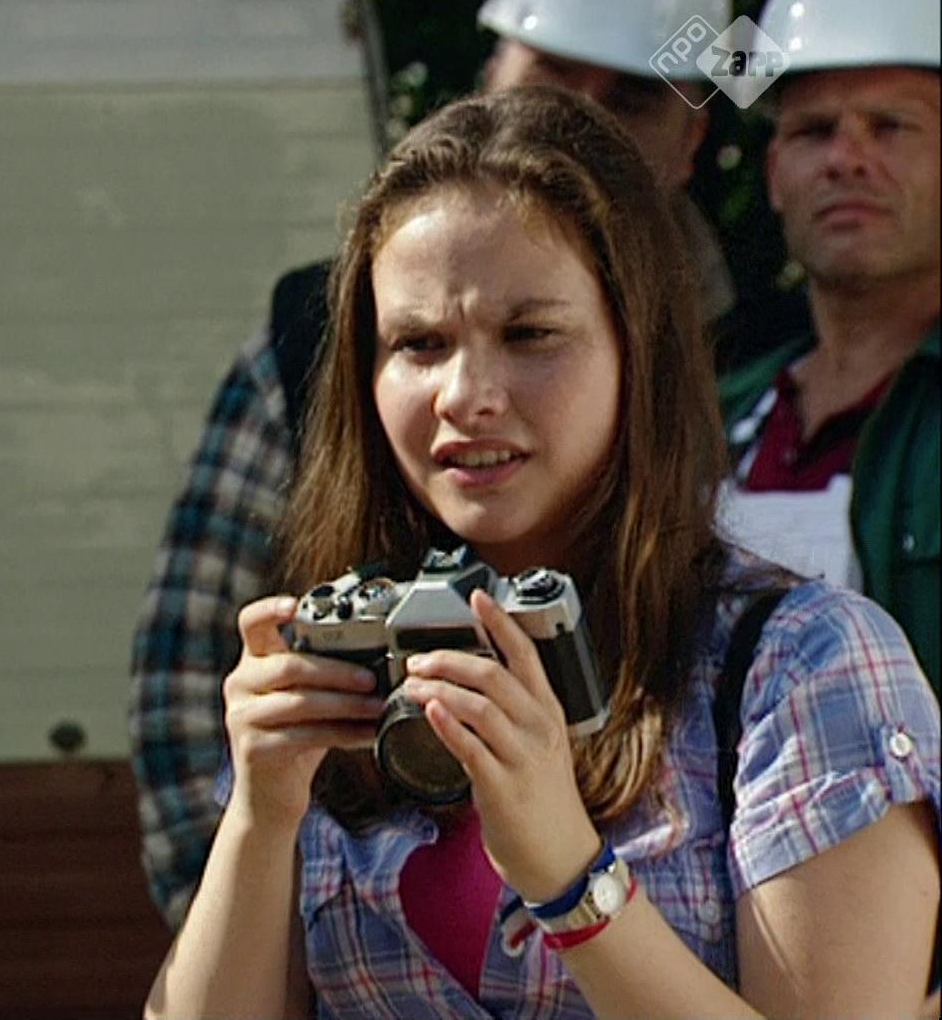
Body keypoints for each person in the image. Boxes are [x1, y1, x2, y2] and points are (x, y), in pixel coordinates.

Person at [144, 84, 940, 1019]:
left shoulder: (803, 668)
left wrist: (570, 879)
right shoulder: (347, 658)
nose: (464, 394)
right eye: (418, 343)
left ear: (637, 348)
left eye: (529, 335)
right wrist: (261, 813)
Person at [129, 0, 773, 929]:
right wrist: (238, 896)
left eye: (631, 98)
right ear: (491, 84)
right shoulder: (313, 331)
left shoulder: (769, 364)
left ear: (691, 140)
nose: (469, 396)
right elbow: (186, 660)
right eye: (419, 345)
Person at [718, 0, 940, 694]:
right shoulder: (708, 413)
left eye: (890, 126)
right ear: (775, 175)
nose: (847, 159)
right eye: (814, 131)